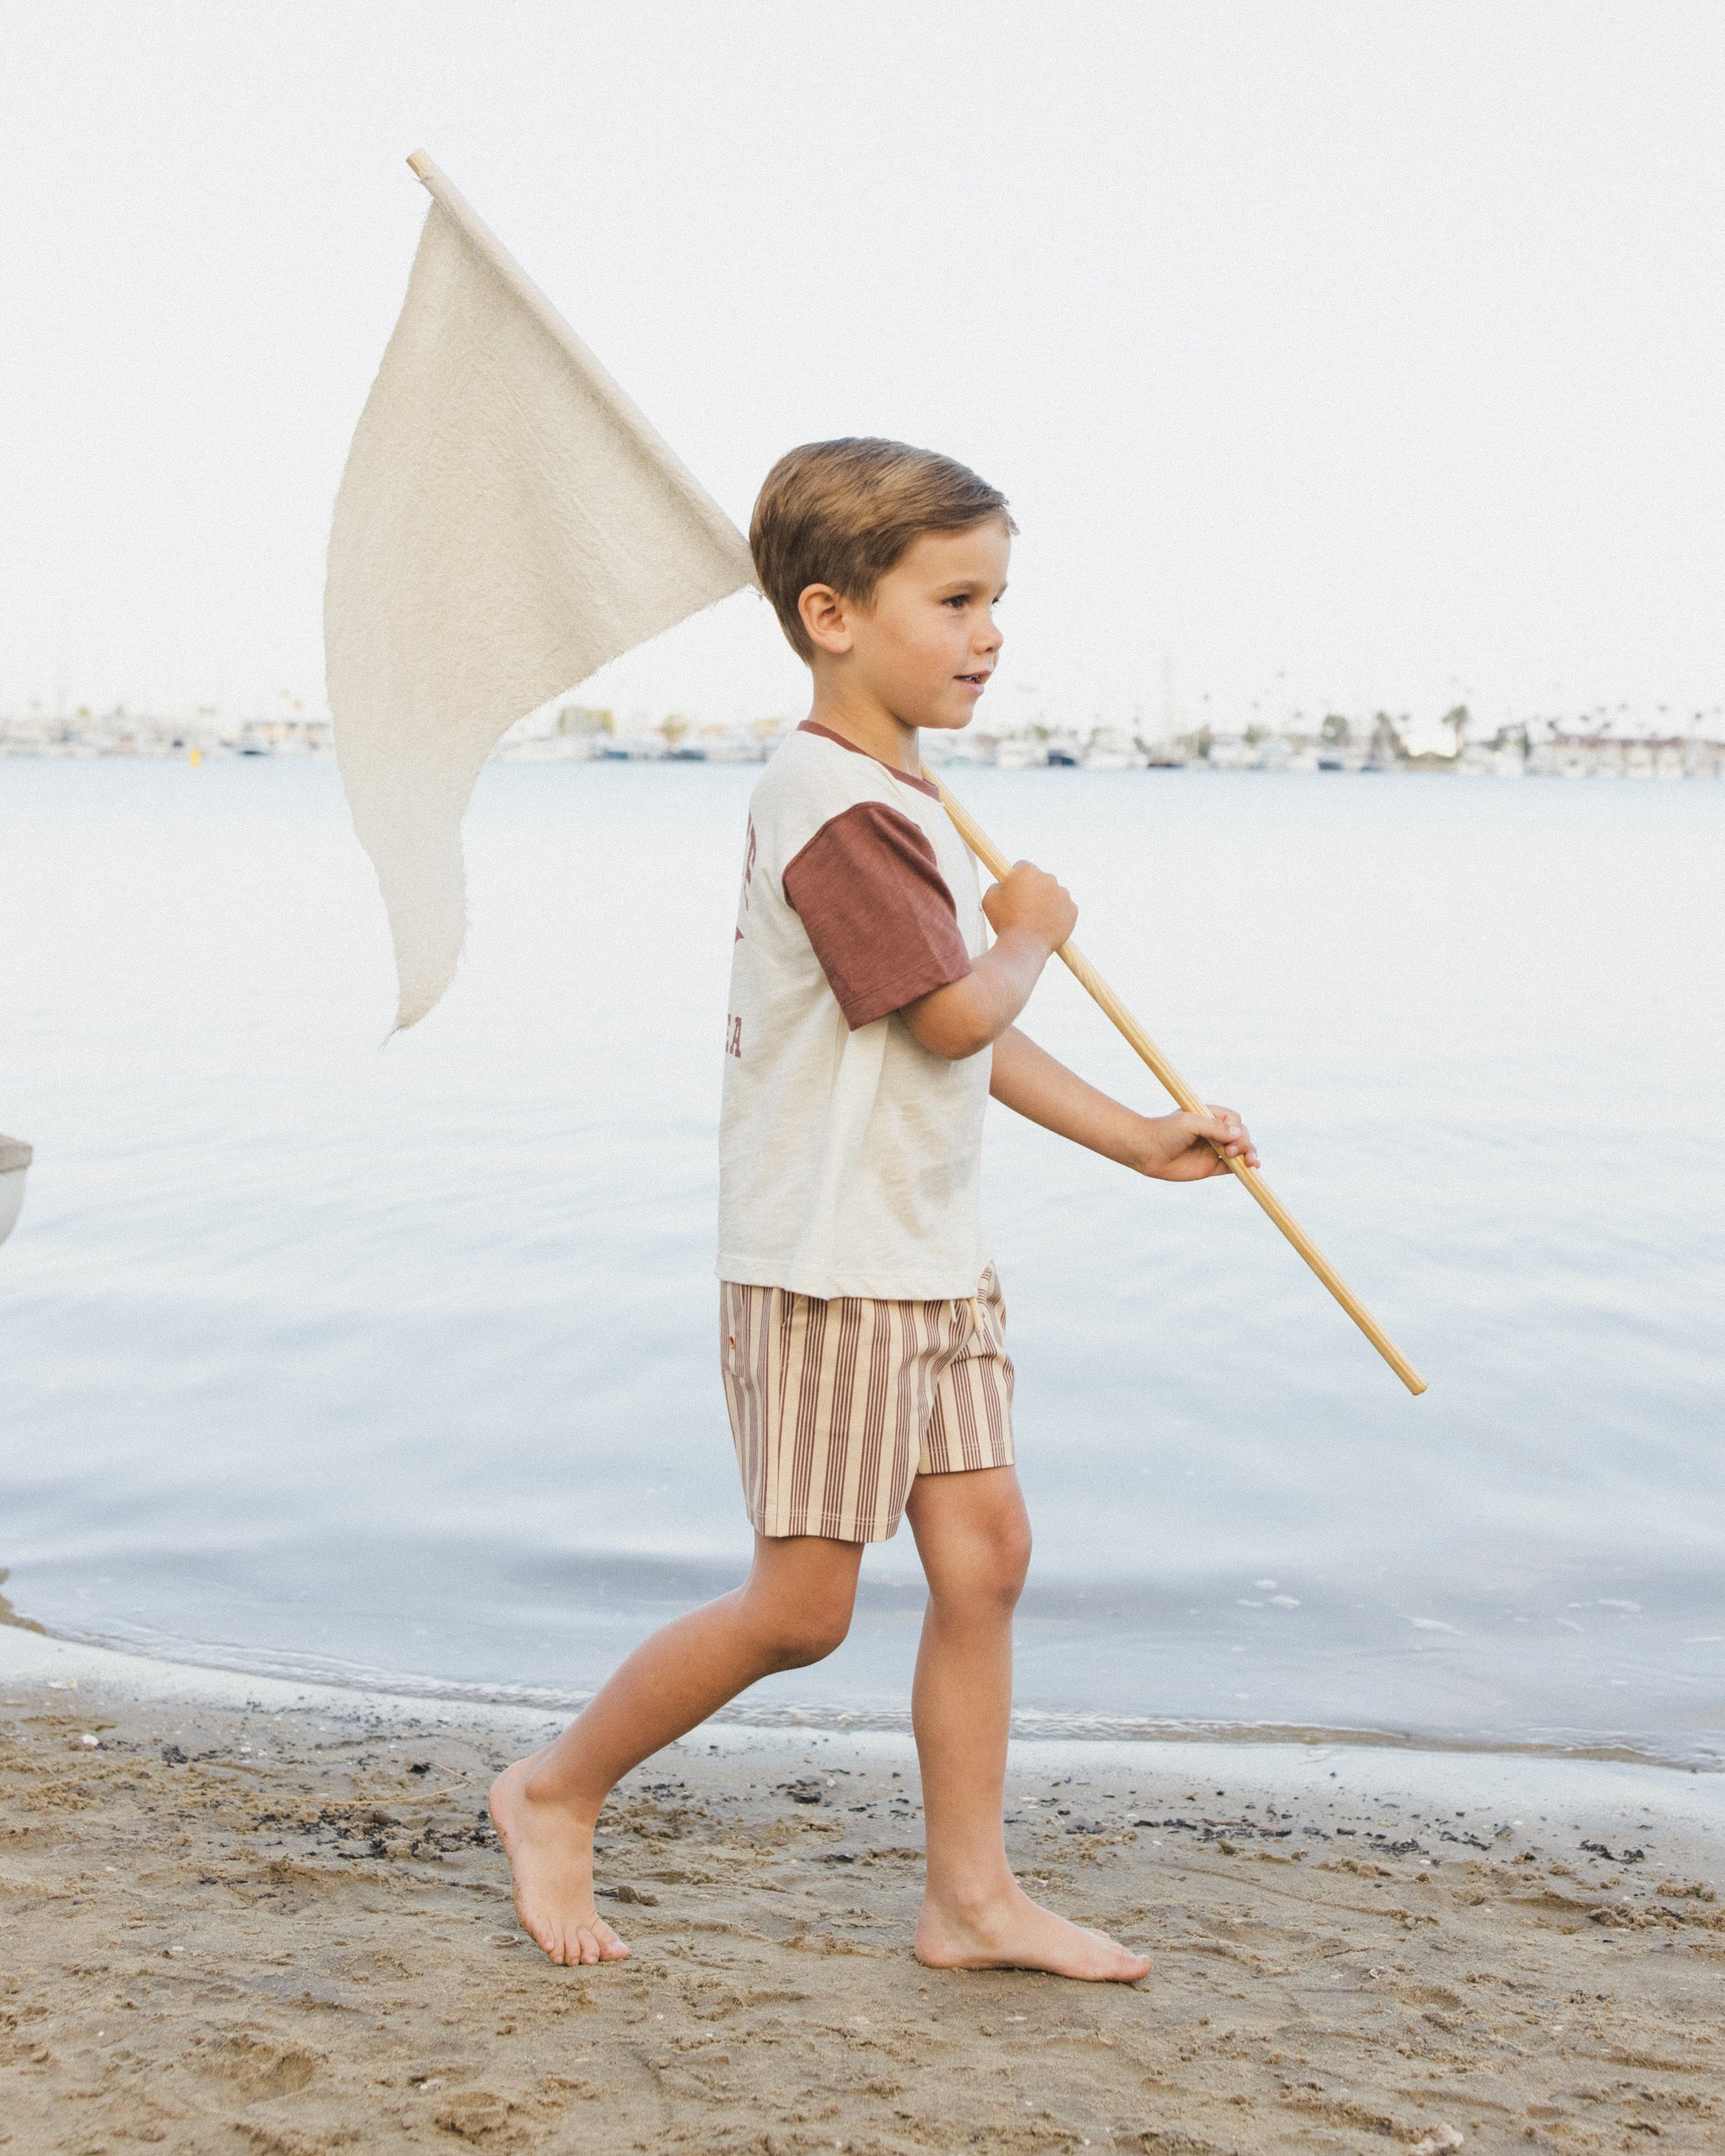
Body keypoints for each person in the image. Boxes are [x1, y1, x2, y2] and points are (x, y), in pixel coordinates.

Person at [489, 438, 1257, 1977]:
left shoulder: (895, 793)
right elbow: (957, 1016)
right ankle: (554, 1787)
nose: (989, 634)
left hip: (927, 1256)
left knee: (987, 1560)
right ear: (832, 614)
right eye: (957, 598)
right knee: (801, 1609)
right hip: (828, 1266)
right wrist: (1030, 929)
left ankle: (969, 1901)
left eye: (998, 600)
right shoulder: (828, 801)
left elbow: (958, 1025)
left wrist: (1133, 1136)